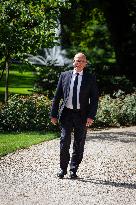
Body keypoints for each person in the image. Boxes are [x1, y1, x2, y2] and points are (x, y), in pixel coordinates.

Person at [50, 52, 99, 179]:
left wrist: (91, 116)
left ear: (85, 64)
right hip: (66, 114)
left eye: (81, 61)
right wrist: (53, 114)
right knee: (64, 141)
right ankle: (62, 169)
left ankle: (73, 169)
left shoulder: (90, 78)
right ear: (73, 61)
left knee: (79, 143)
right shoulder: (64, 76)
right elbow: (57, 97)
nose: (78, 63)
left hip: (82, 115)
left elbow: (94, 99)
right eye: (77, 60)